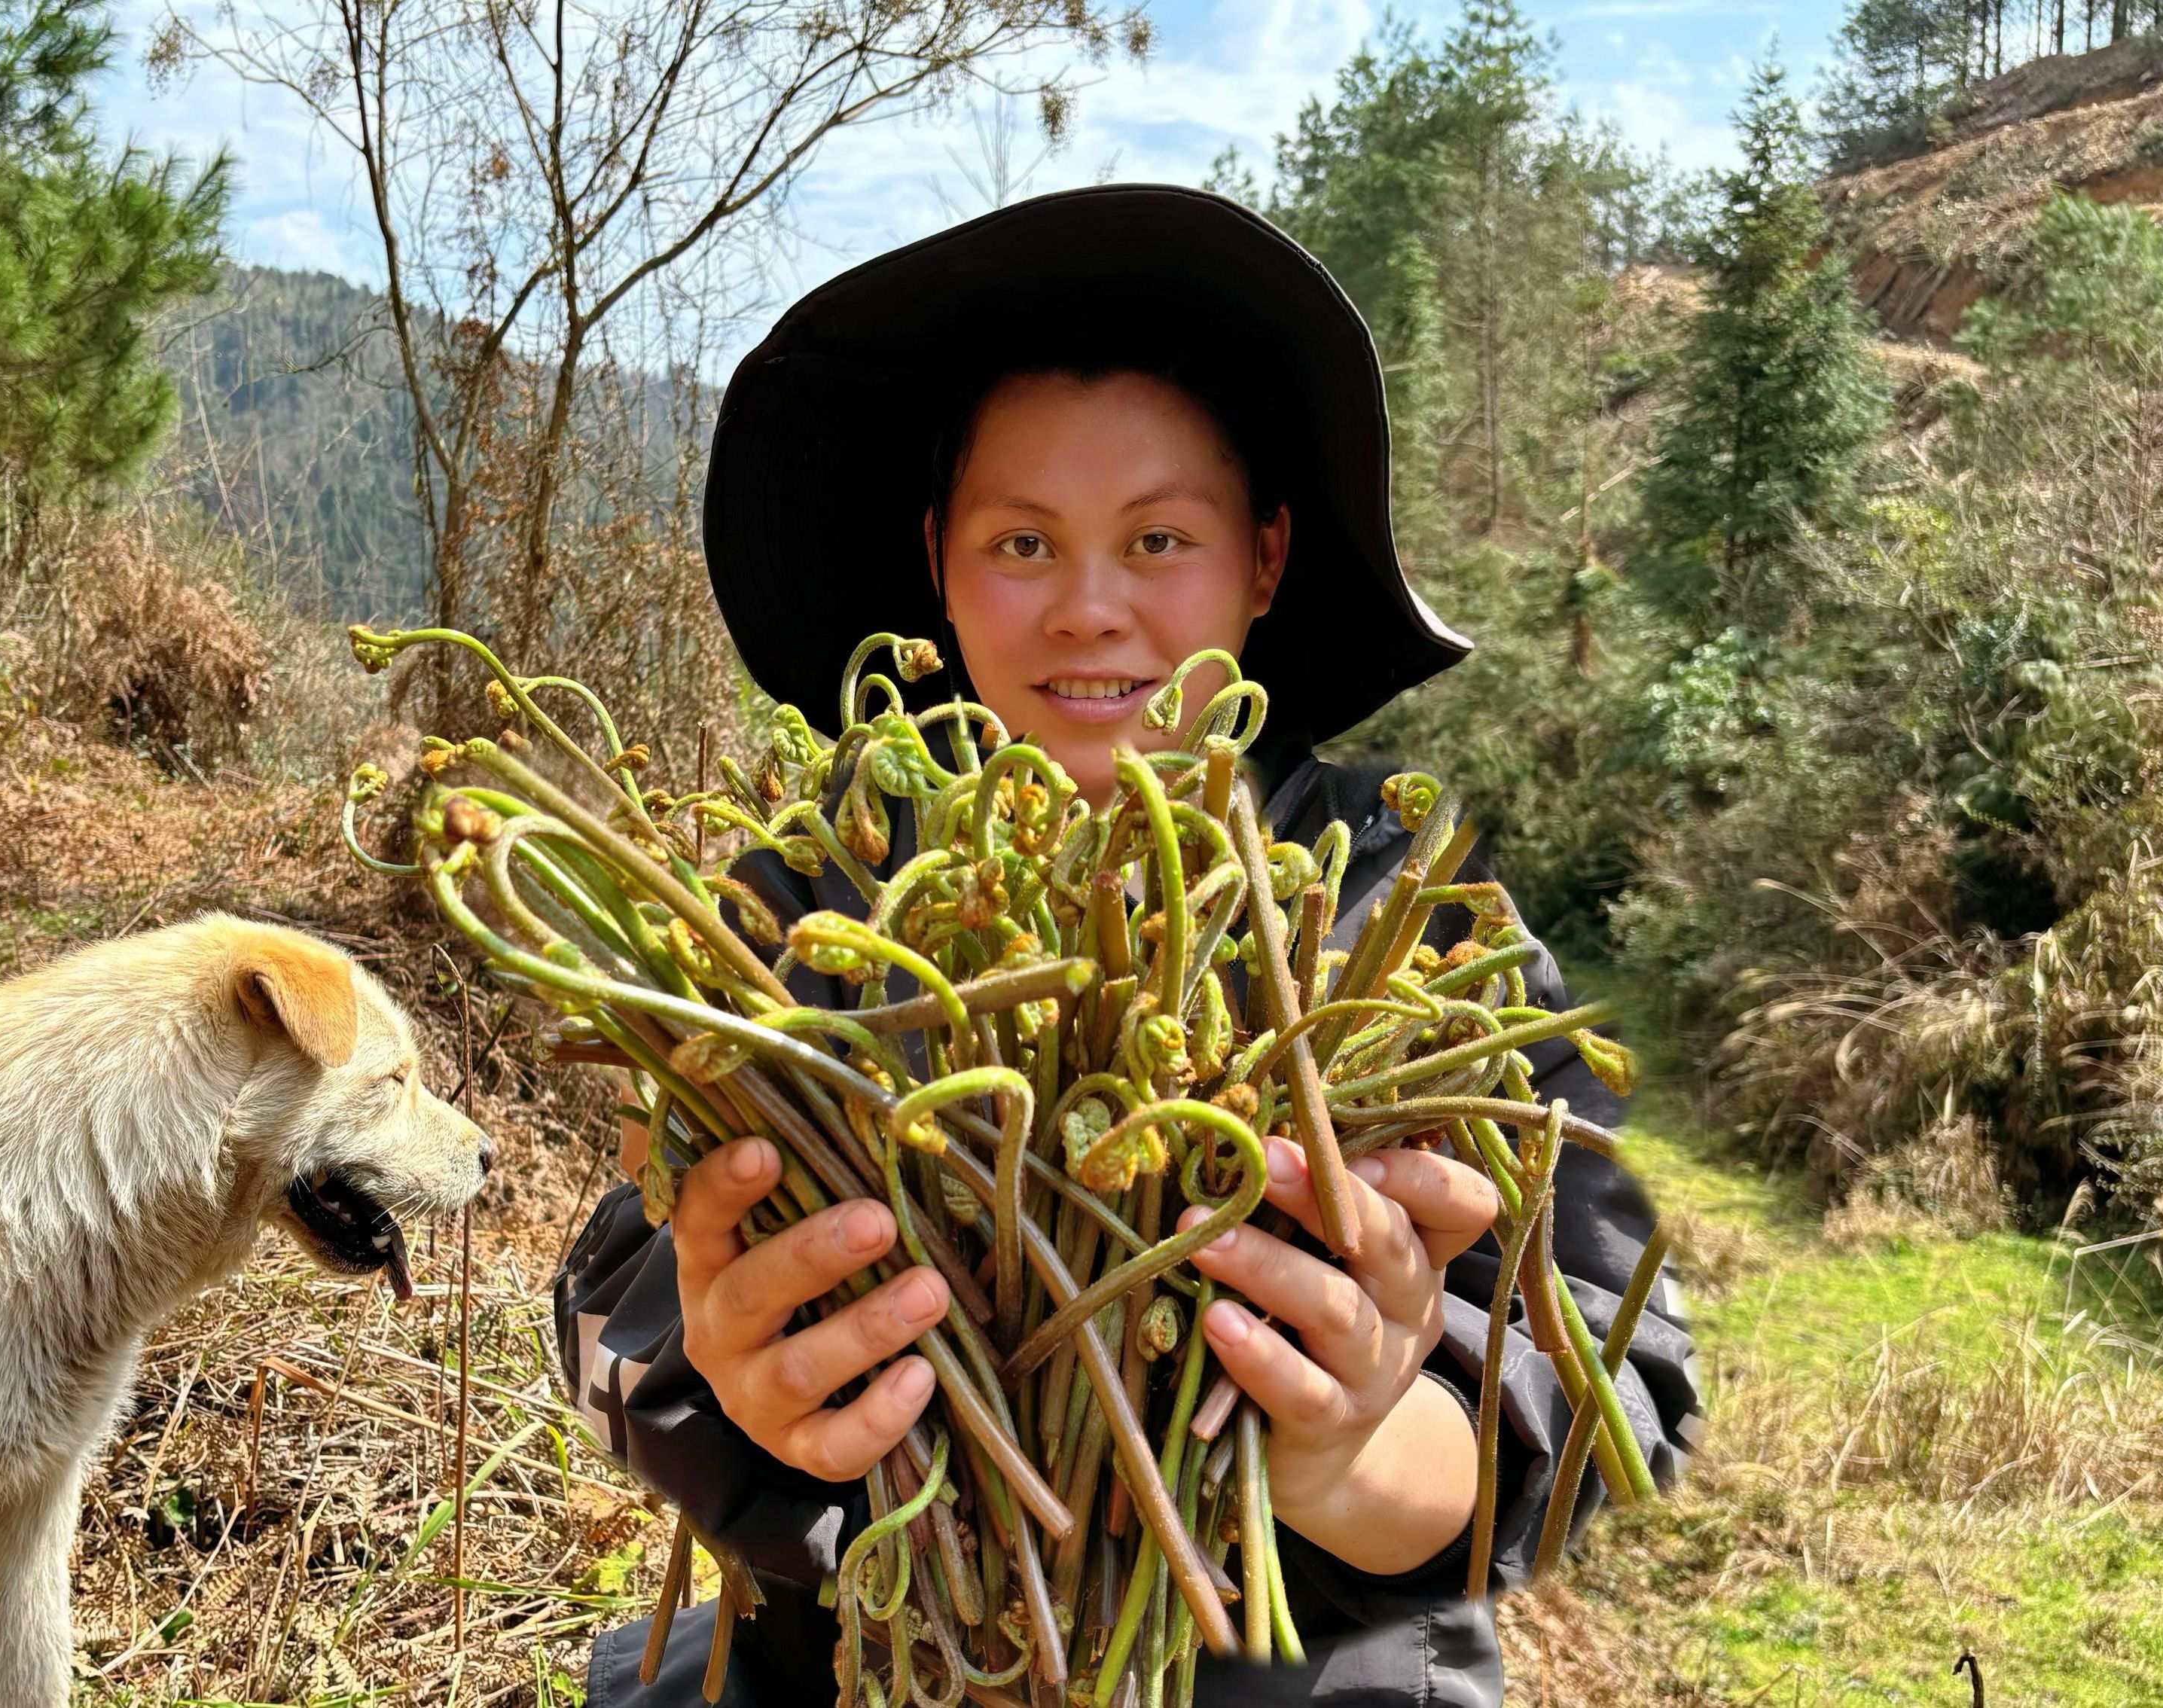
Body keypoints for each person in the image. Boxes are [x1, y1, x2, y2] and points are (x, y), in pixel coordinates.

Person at [551, 184, 1701, 1707]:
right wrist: (729, 1383)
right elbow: (623, 1286)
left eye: (1158, 537)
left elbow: (1614, 1392)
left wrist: (1361, 1443)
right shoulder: (805, 901)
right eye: (1023, 543)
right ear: (938, 564)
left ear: (1267, 561)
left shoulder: (1413, 922)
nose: (1092, 610)